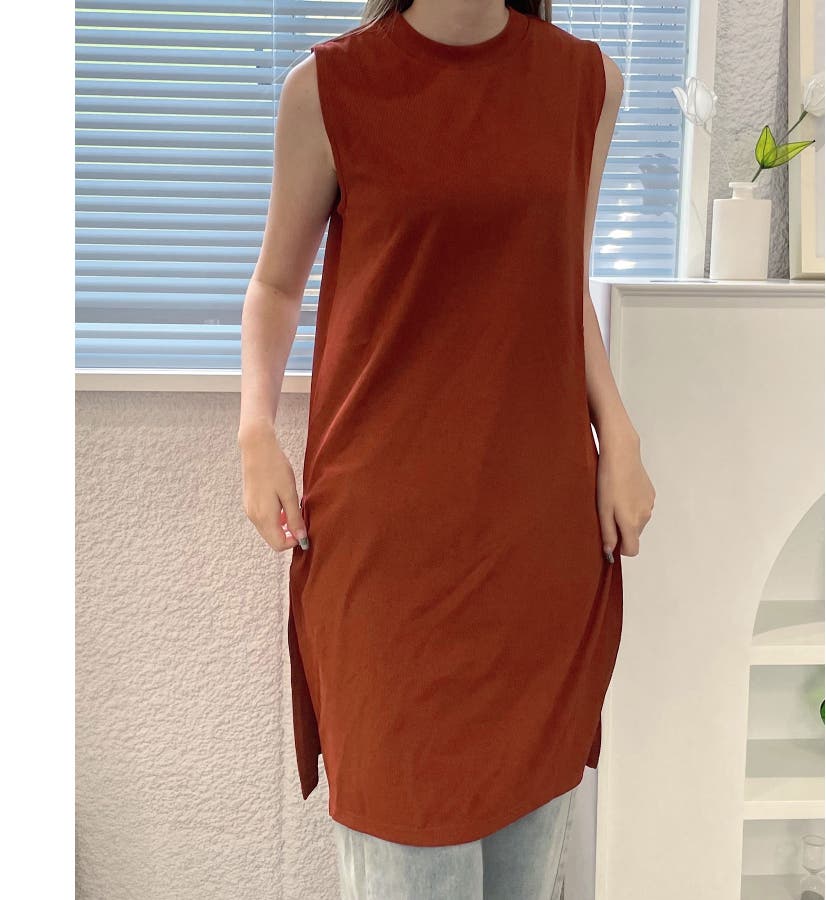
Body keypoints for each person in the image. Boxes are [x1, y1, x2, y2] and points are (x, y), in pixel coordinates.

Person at [238, 1, 655, 897]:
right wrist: (254, 429)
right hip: (387, 559)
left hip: (535, 549)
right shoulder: (327, 90)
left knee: (525, 872)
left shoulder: (589, 85)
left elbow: (562, 284)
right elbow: (275, 284)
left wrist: (618, 432)